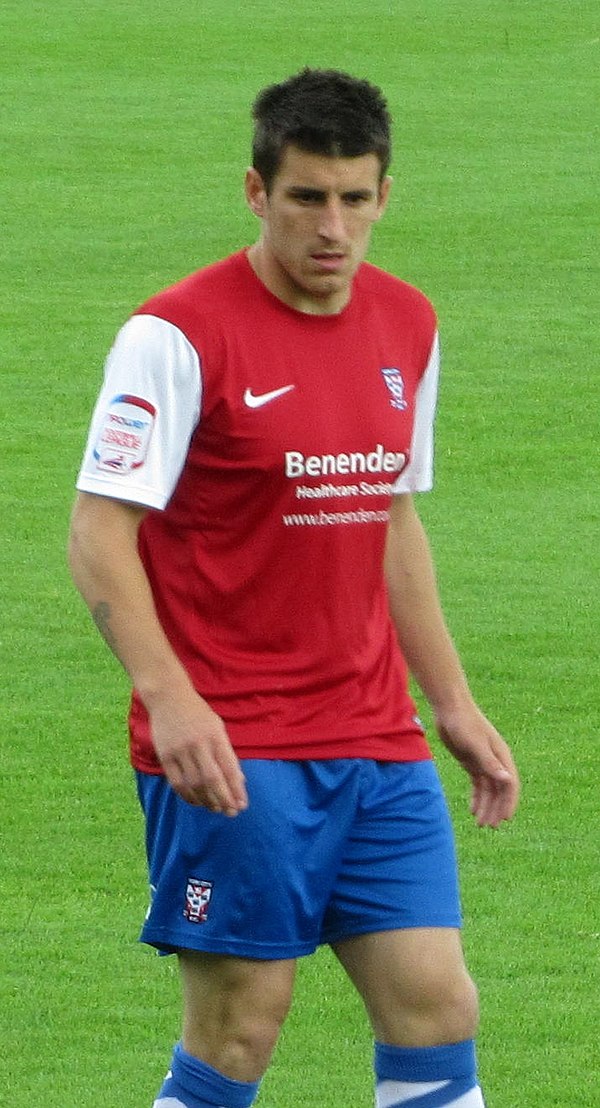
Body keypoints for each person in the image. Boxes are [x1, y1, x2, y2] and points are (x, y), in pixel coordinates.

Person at [68, 68, 519, 1108]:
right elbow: (99, 530)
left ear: (384, 196)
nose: (333, 227)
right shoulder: (174, 336)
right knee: (240, 1027)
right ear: (255, 191)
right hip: (236, 737)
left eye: (355, 198)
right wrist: (168, 695)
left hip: (375, 736)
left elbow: (391, 516)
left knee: (437, 1008)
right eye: (307, 197)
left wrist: (450, 702)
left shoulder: (408, 323)